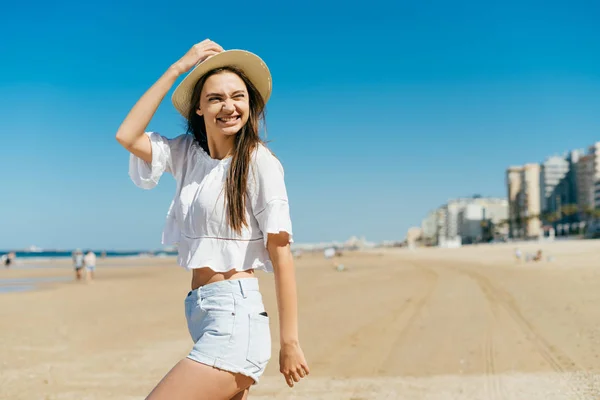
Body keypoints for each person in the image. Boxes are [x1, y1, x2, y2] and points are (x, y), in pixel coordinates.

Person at [116, 40, 309, 399]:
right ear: (199, 109)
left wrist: (290, 342)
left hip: (235, 317)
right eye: (215, 98)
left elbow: (281, 254)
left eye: (238, 97)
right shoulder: (186, 155)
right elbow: (127, 135)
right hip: (202, 313)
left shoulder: (258, 162)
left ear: (250, 106)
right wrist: (178, 68)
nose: (228, 106)